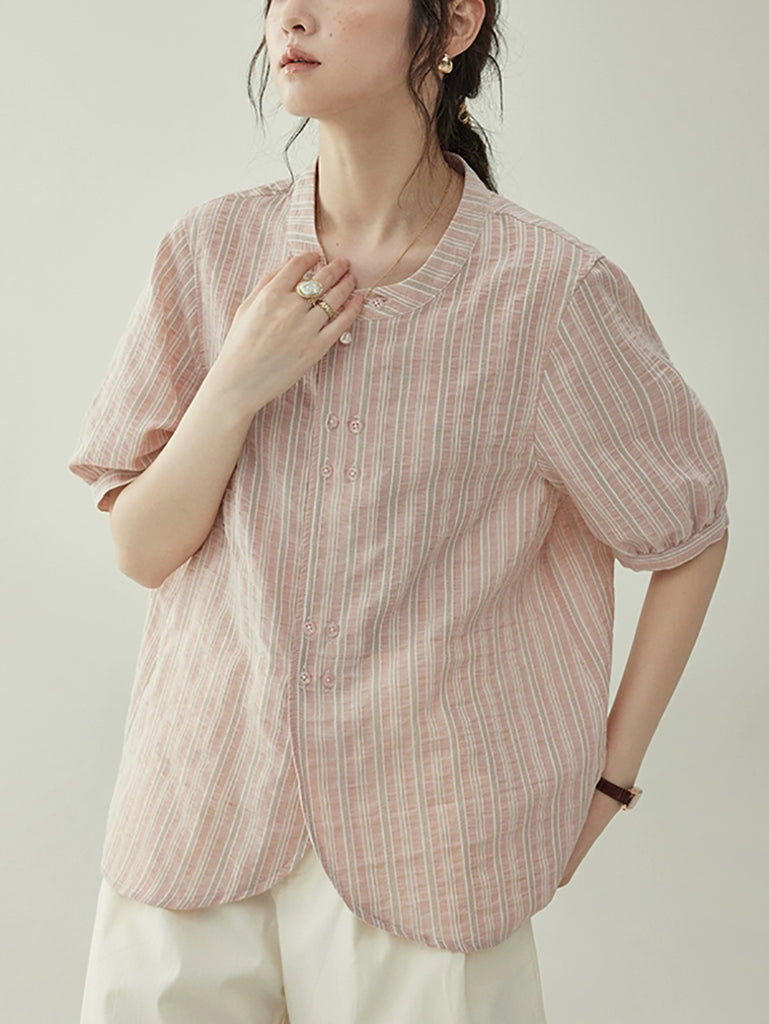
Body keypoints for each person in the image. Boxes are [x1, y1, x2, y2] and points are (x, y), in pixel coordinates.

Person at [69, 1, 729, 1021]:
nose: (291, 15)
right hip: (193, 827)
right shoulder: (208, 251)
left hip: (431, 857)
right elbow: (141, 548)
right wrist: (235, 384)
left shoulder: (551, 293)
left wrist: (607, 785)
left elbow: (687, 534)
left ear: (454, 21)